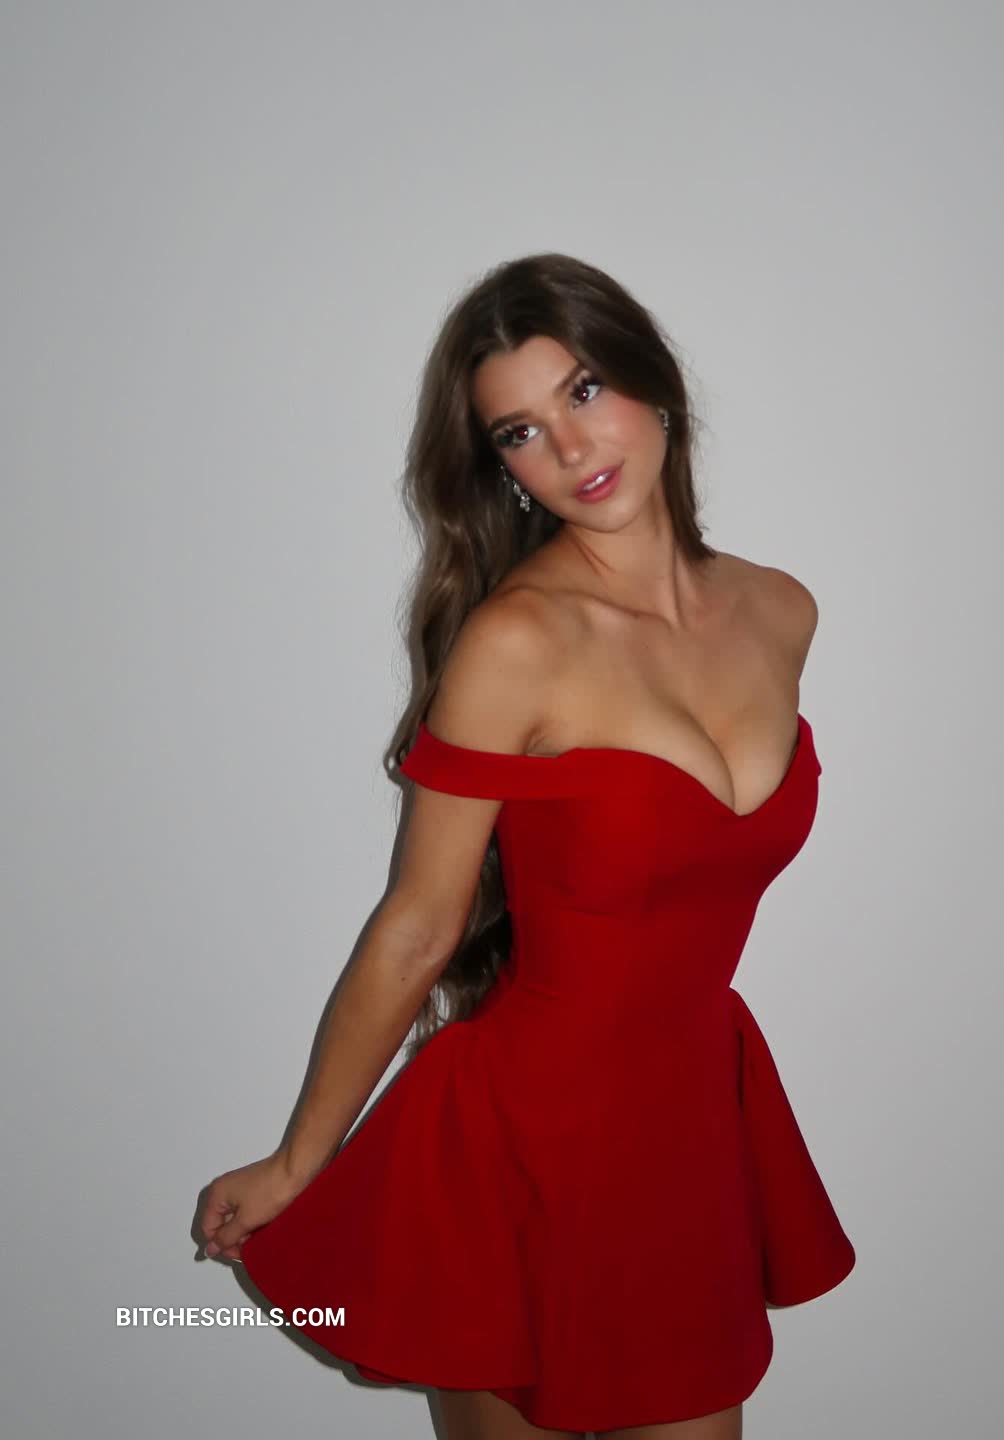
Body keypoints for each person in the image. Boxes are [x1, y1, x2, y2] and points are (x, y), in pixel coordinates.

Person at [198, 252, 856, 1440]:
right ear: (500, 466)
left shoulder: (781, 611)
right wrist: (299, 1161)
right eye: (520, 431)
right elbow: (418, 924)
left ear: (656, 385)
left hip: (687, 1138)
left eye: (585, 390)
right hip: (513, 1146)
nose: (569, 446)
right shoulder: (516, 644)